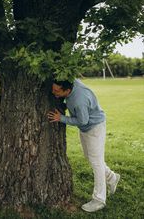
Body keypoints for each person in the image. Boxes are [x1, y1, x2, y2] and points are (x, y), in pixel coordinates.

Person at [47, 79, 120, 213]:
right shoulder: (70, 82)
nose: (53, 92)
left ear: (67, 91)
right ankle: (111, 177)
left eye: (57, 91)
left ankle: (99, 199)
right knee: (90, 157)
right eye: (53, 89)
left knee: (96, 162)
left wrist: (61, 118)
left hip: (94, 127)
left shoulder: (79, 100)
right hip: (86, 128)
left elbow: (83, 120)